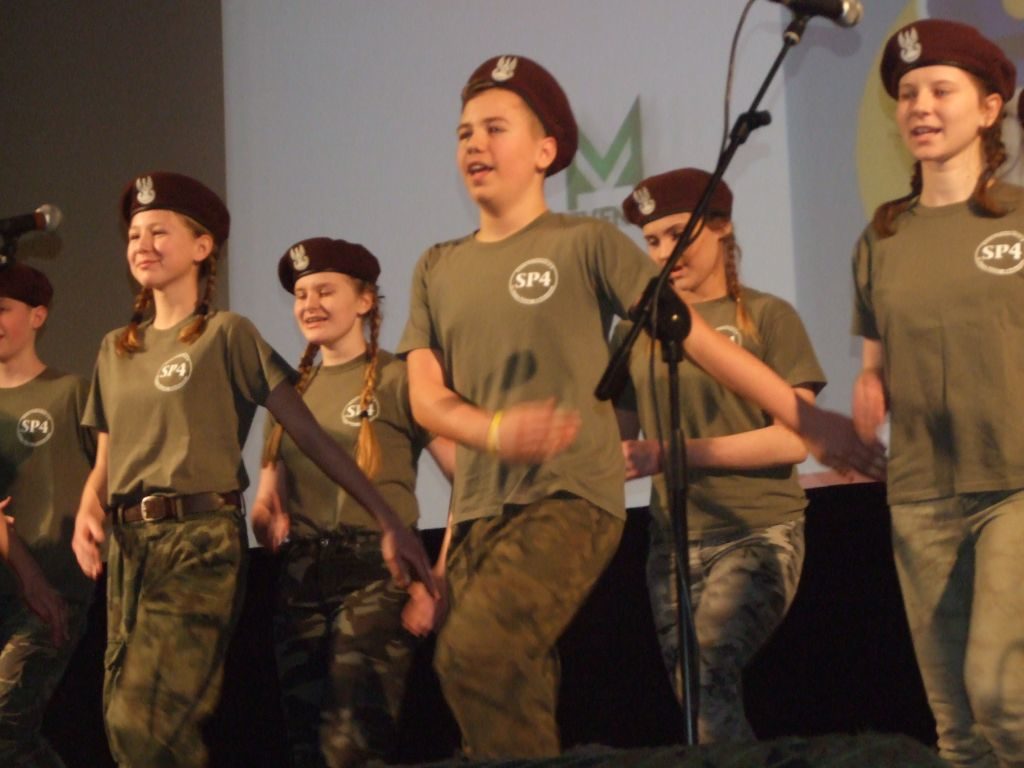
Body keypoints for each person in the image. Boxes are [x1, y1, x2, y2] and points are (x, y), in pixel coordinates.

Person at [399, 54, 883, 759]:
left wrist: (805, 418)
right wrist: (495, 432)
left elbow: (696, 338)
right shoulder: (436, 264)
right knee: (501, 683)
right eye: (464, 132)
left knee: (476, 651)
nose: (474, 143)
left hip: (568, 496)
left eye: (495, 128)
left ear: (545, 151)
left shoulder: (586, 242)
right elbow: (426, 398)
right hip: (479, 507)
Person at [70, 172, 434, 767]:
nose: (142, 243)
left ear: (202, 246)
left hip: (198, 540)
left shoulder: (227, 334)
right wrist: (90, 508)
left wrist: (387, 518)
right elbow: (108, 459)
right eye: (134, 234)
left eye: (159, 231)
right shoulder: (117, 347)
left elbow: (311, 435)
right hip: (130, 546)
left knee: (143, 720)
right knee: (124, 725)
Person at [852, 20, 1024, 767]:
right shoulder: (881, 237)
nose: (920, 106)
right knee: (958, 731)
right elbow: (875, 362)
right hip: (921, 496)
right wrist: (868, 389)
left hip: (1015, 484)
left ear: (988, 110)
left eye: (941, 90)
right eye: (907, 94)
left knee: (1003, 698)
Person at [617, 168, 824, 743]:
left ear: (721, 226)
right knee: (700, 705)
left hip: (758, 532)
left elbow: (794, 439)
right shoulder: (635, 332)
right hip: (672, 544)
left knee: (706, 673)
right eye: (652, 241)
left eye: (678, 234)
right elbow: (615, 444)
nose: (665, 252)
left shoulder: (768, 316)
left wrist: (674, 453)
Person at [252, 237, 454, 768]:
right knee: (306, 750)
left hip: (377, 574)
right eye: (301, 295)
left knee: (351, 748)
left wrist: (436, 581)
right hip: (301, 579)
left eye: (325, 291)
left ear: (365, 301)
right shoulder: (287, 394)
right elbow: (268, 499)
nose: (310, 304)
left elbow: (469, 479)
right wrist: (265, 517)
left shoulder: (398, 377)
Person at [0, 262, 95, 768]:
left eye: (2, 309)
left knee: (5, 724)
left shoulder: (71, 392)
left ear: (37, 315)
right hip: (8, 580)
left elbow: (112, 480)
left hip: (51, 590)